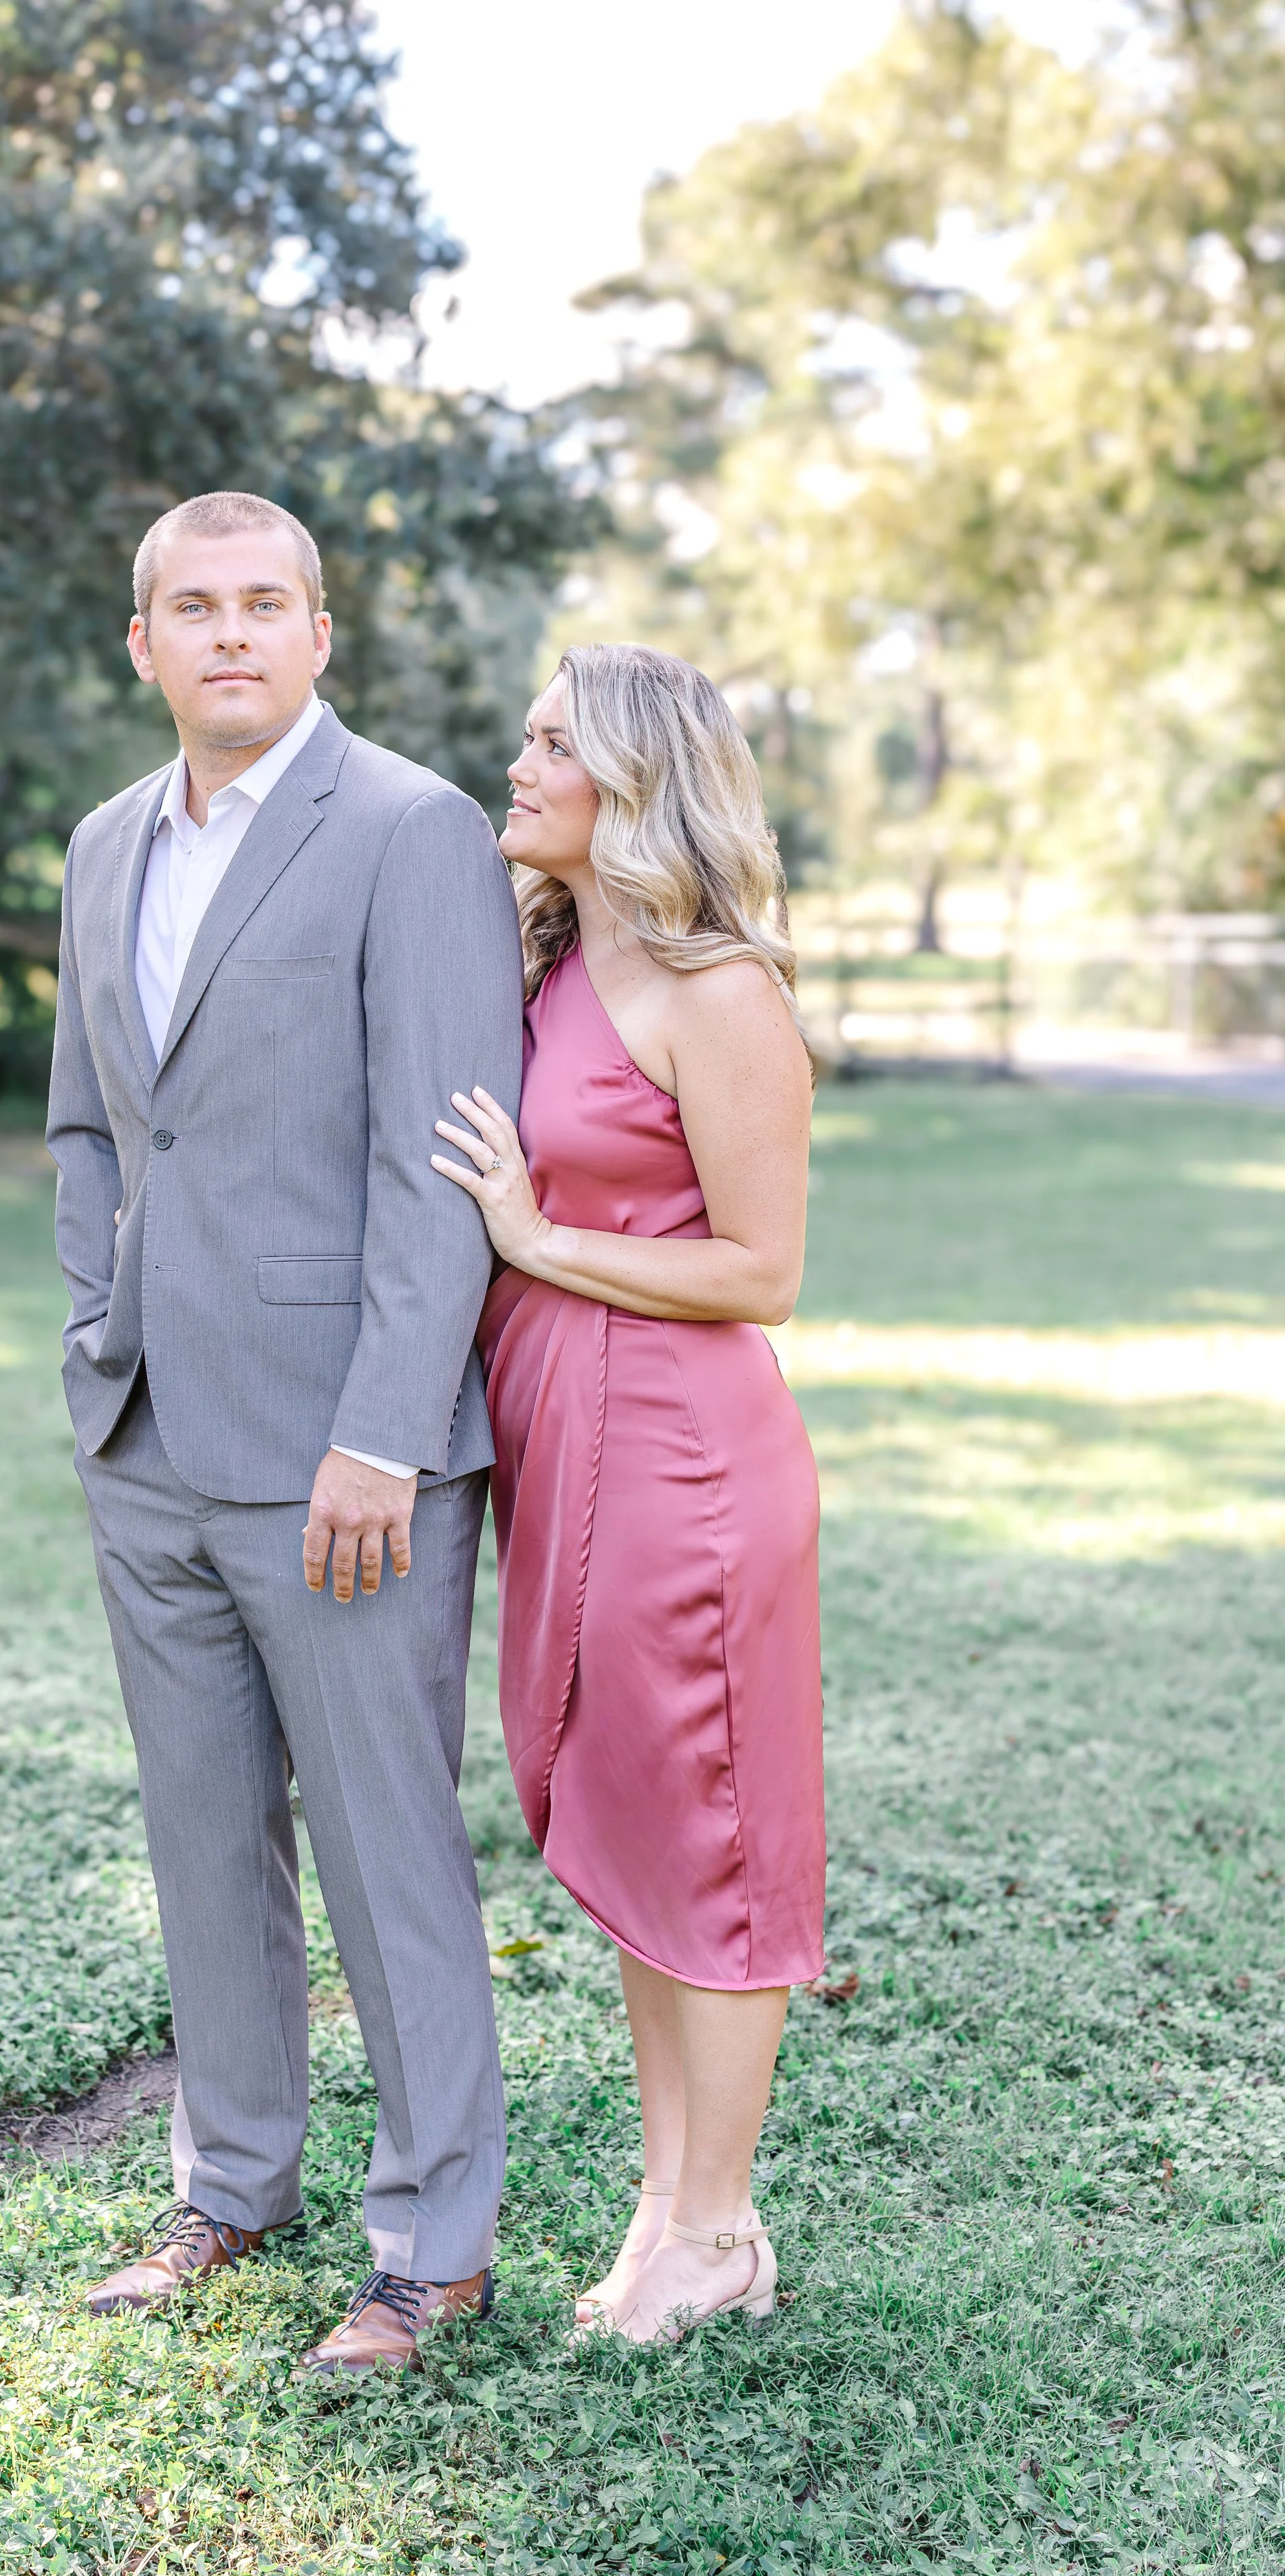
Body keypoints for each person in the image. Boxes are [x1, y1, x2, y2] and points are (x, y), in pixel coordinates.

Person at [47, 491, 522, 2374]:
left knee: (384, 1842)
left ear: (320, 633)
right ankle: (233, 2180)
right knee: (200, 1834)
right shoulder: (102, 845)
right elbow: (92, 1125)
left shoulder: (411, 832)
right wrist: (97, 1330)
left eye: (265, 603)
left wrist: (384, 1434)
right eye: (193, 604)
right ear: (142, 639)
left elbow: (444, 1161)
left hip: (347, 1454)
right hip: (148, 1430)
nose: (229, 632)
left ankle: (433, 2239)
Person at [431, 641, 823, 2345]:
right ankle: (672, 2206)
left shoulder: (717, 990)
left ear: (635, 785)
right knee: (624, 1817)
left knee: (707, 1831)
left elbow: (764, 1270)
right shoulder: (543, 964)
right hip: (560, 1440)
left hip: (683, 1456)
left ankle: (718, 2226)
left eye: (548, 745)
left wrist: (536, 1239)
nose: (514, 768)